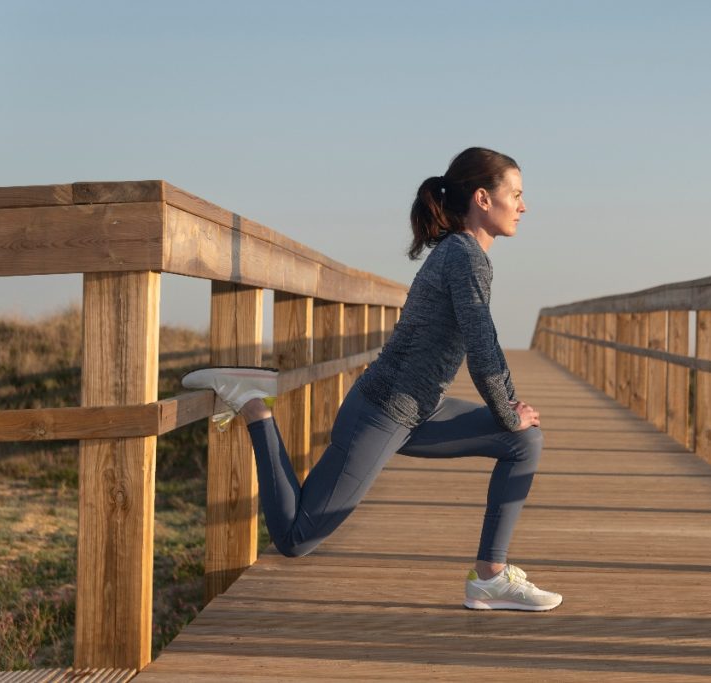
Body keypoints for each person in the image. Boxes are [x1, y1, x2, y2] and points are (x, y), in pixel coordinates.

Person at [182, 147, 562, 611]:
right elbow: (483, 348)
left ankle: (490, 577)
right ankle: (253, 404)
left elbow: (483, 346)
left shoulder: (464, 255)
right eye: (516, 194)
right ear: (483, 198)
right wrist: (509, 411)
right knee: (297, 538)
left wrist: (512, 418)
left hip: (421, 409)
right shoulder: (464, 256)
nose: (524, 206)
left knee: (524, 442)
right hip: (381, 412)